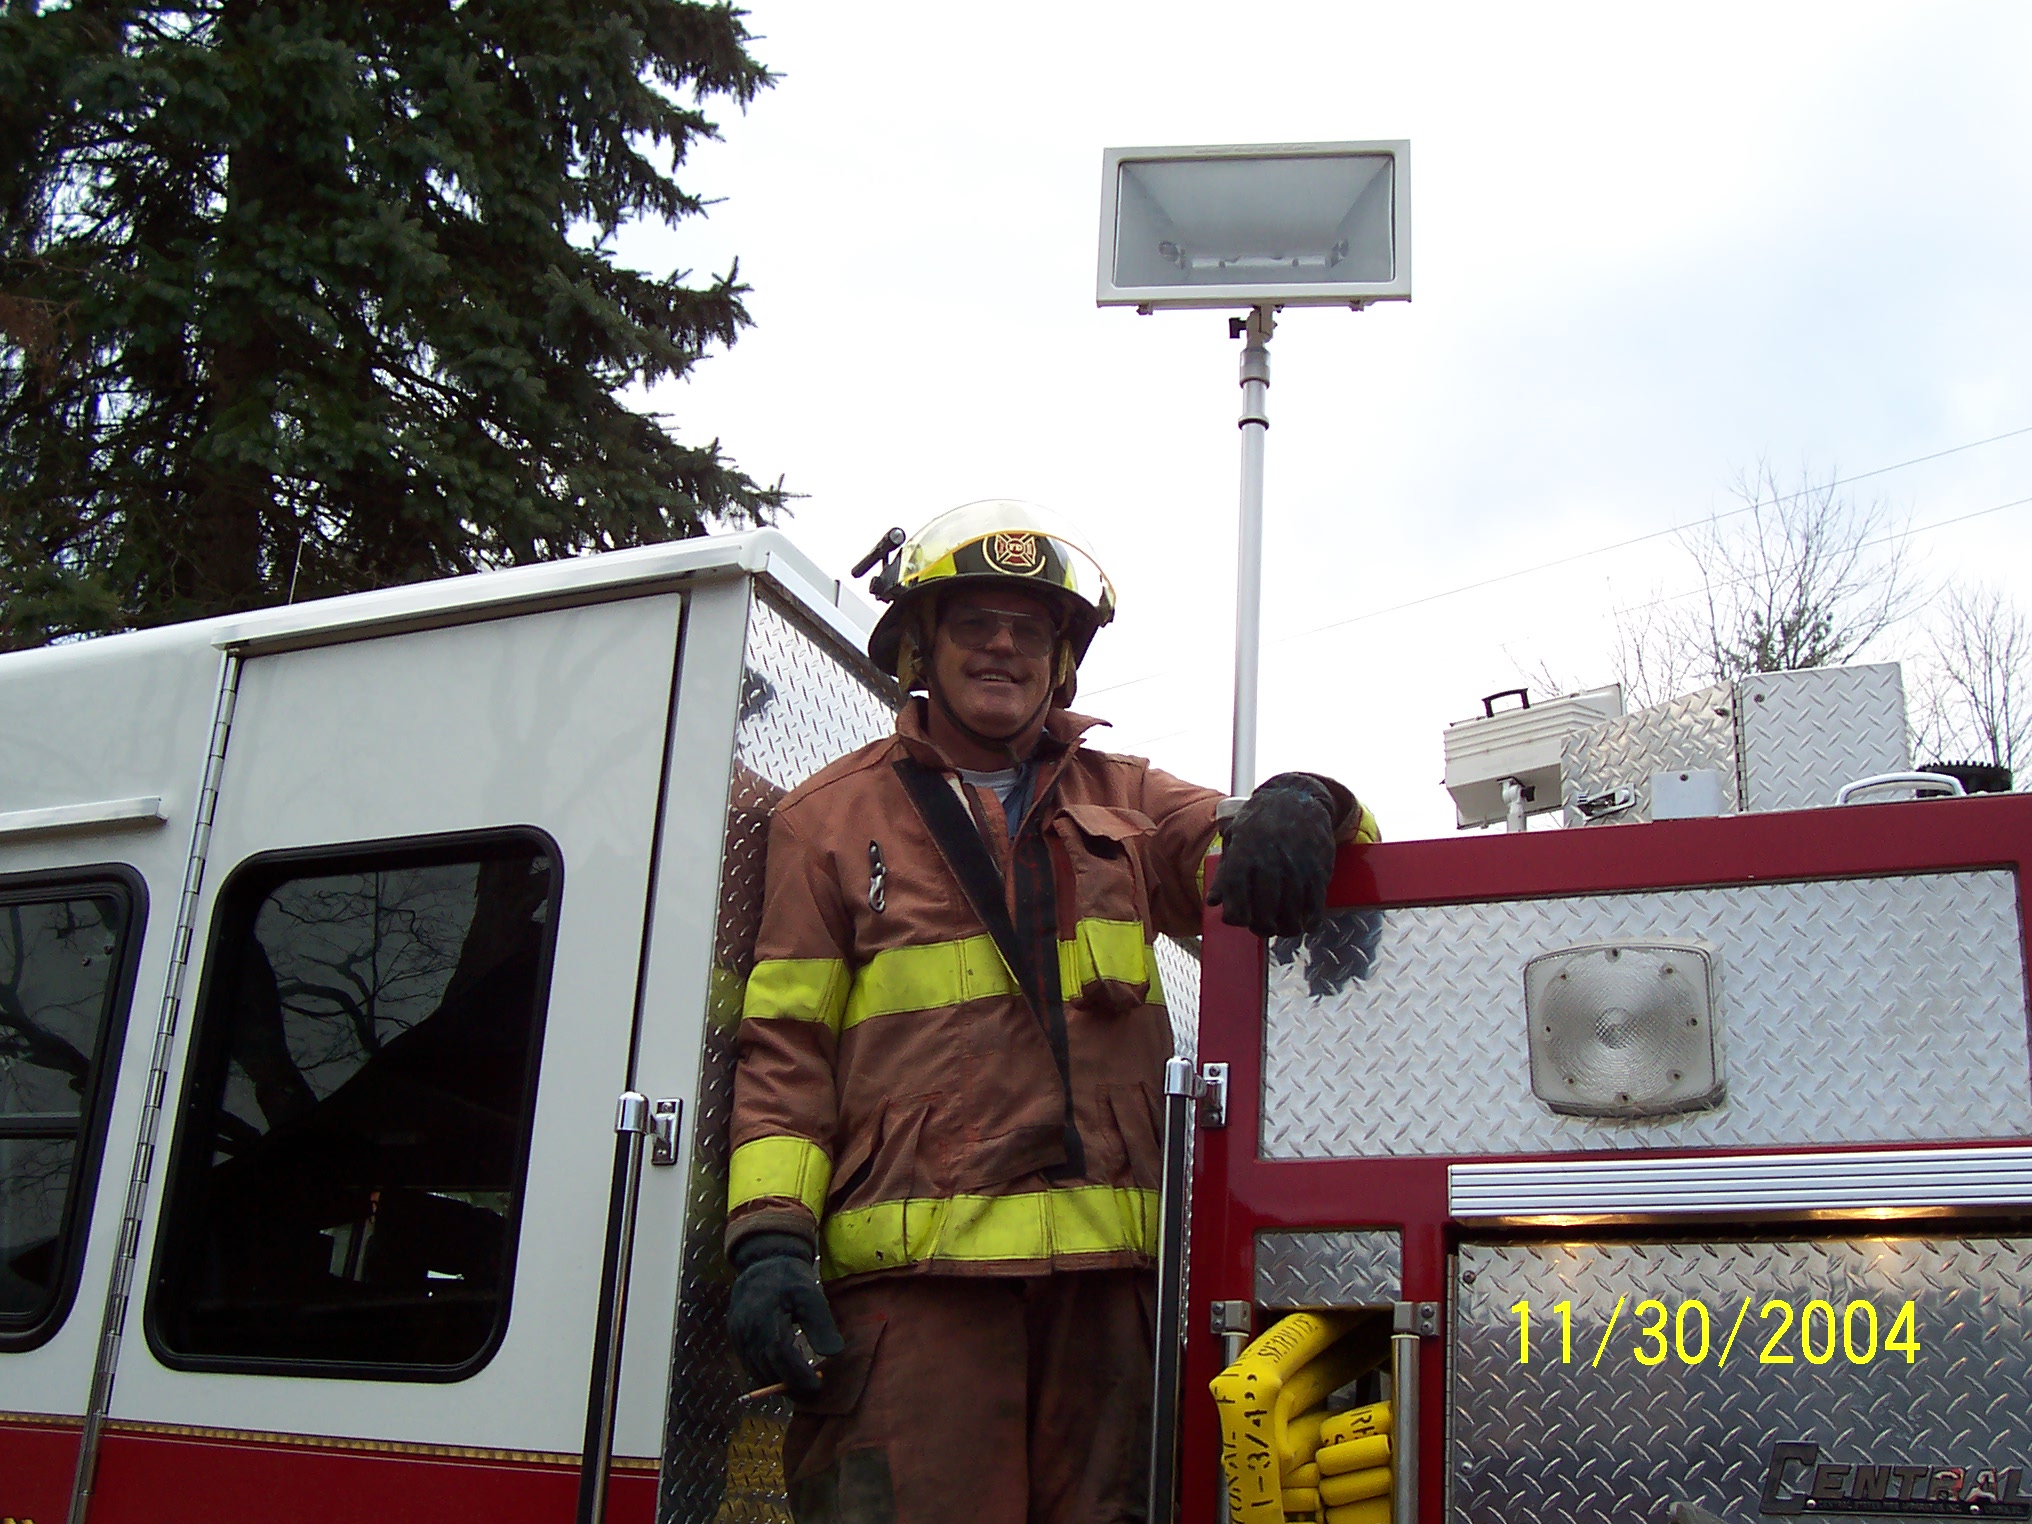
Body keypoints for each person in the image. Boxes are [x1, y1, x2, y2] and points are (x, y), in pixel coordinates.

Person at [725, 501, 1377, 1524]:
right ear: (920, 647)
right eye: (974, 622)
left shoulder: (1130, 802)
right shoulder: (829, 820)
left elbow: (1253, 847)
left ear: (1061, 661)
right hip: (916, 1299)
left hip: (1109, 1297)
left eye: (1028, 629)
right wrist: (768, 1239)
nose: (1002, 646)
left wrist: (1311, 800)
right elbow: (785, 1051)